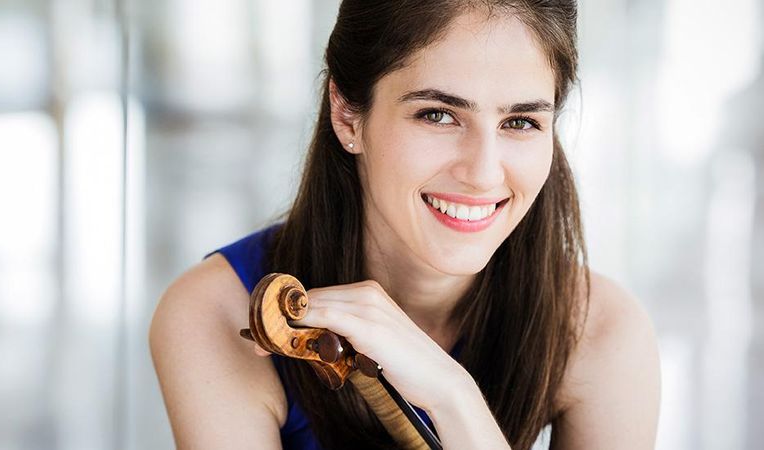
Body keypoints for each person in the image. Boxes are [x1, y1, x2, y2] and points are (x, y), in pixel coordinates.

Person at [149, 1, 661, 449]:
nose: (483, 173)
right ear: (348, 117)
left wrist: (452, 396)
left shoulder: (602, 330)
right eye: (437, 115)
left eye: (520, 122)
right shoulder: (214, 313)